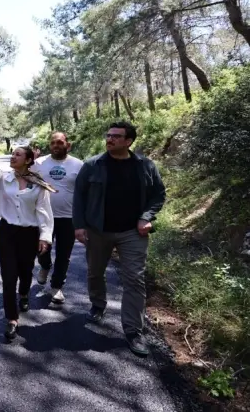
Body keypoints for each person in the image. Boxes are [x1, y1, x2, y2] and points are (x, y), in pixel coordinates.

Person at [73, 120, 166, 356]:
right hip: (98, 230)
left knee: (135, 279)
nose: (110, 139)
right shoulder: (92, 165)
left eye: (116, 136)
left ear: (128, 141)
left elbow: (158, 194)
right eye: (108, 135)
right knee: (95, 272)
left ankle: (134, 331)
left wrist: (146, 217)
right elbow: (79, 198)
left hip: (132, 232)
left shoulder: (145, 166)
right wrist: (79, 226)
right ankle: (98, 304)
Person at [0, 139, 54, 341]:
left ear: (28, 160)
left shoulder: (39, 184)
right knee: (9, 276)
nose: (13, 157)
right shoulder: (4, 178)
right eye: (12, 154)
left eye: (18, 155)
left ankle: (25, 294)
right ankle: (12, 318)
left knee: (26, 270)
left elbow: (44, 212)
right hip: (7, 232)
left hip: (29, 233)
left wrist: (45, 237)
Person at [31, 132, 84, 304]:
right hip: (43, 216)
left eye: (60, 142)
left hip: (68, 217)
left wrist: (83, 219)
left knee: (64, 254)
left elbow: (84, 192)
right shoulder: (39, 163)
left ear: (68, 145)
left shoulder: (78, 164)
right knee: (41, 249)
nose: (56, 145)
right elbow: (25, 181)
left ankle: (56, 286)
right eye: (53, 142)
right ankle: (45, 266)